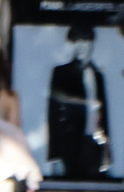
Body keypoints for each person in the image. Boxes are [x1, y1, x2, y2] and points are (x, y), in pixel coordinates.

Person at [46, 26, 113, 181]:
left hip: (94, 142)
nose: (80, 46)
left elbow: (103, 112)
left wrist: (107, 148)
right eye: (76, 41)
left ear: (92, 43)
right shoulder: (61, 72)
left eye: (85, 41)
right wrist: (54, 154)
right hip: (69, 143)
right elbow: (54, 114)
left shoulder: (97, 75)